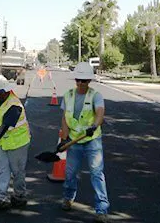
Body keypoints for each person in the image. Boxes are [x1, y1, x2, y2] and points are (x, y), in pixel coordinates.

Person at [58, 62, 109, 223]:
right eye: (78, 80)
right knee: (70, 173)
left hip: (92, 141)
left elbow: (100, 113)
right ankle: (68, 198)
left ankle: (101, 210)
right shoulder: (68, 95)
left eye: (84, 80)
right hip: (74, 141)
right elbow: (65, 119)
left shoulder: (96, 96)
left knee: (96, 173)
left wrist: (94, 126)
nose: (80, 83)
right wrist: (64, 138)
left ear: (89, 81)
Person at [0, 75, 31, 211]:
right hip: (3, 142)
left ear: (6, 91)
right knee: (2, 170)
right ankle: (1, 198)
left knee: (17, 172)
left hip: (18, 143)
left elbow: (5, 125)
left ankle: (19, 196)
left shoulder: (14, 106)